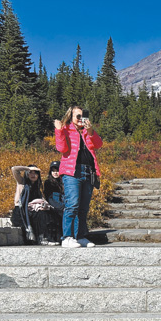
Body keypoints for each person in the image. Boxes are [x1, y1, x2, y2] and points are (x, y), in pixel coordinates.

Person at [54, 106, 103, 248]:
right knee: (72, 204)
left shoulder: (87, 132)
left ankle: (80, 236)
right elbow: (62, 148)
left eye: (83, 117)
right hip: (71, 172)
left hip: (88, 172)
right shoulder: (66, 129)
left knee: (83, 207)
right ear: (71, 118)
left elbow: (98, 144)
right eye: (78, 117)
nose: (81, 120)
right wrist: (58, 130)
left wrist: (90, 131)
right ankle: (67, 237)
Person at [10, 164, 58, 245]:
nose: (33, 175)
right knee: (40, 215)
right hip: (21, 211)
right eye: (30, 173)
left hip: (32, 210)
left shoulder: (37, 187)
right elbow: (14, 169)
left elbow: (41, 200)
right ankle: (41, 238)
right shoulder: (22, 182)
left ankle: (48, 237)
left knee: (48, 213)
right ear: (26, 174)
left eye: (35, 173)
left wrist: (44, 206)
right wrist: (28, 168)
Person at [43, 160, 64, 244]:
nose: (55, 173)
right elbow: (49, 197)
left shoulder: (64, 182)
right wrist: (59, 207)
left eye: (57, 170)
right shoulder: (48, 182)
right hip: (54, 204)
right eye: (53, 171)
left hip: (62, 204)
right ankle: (53, 238)